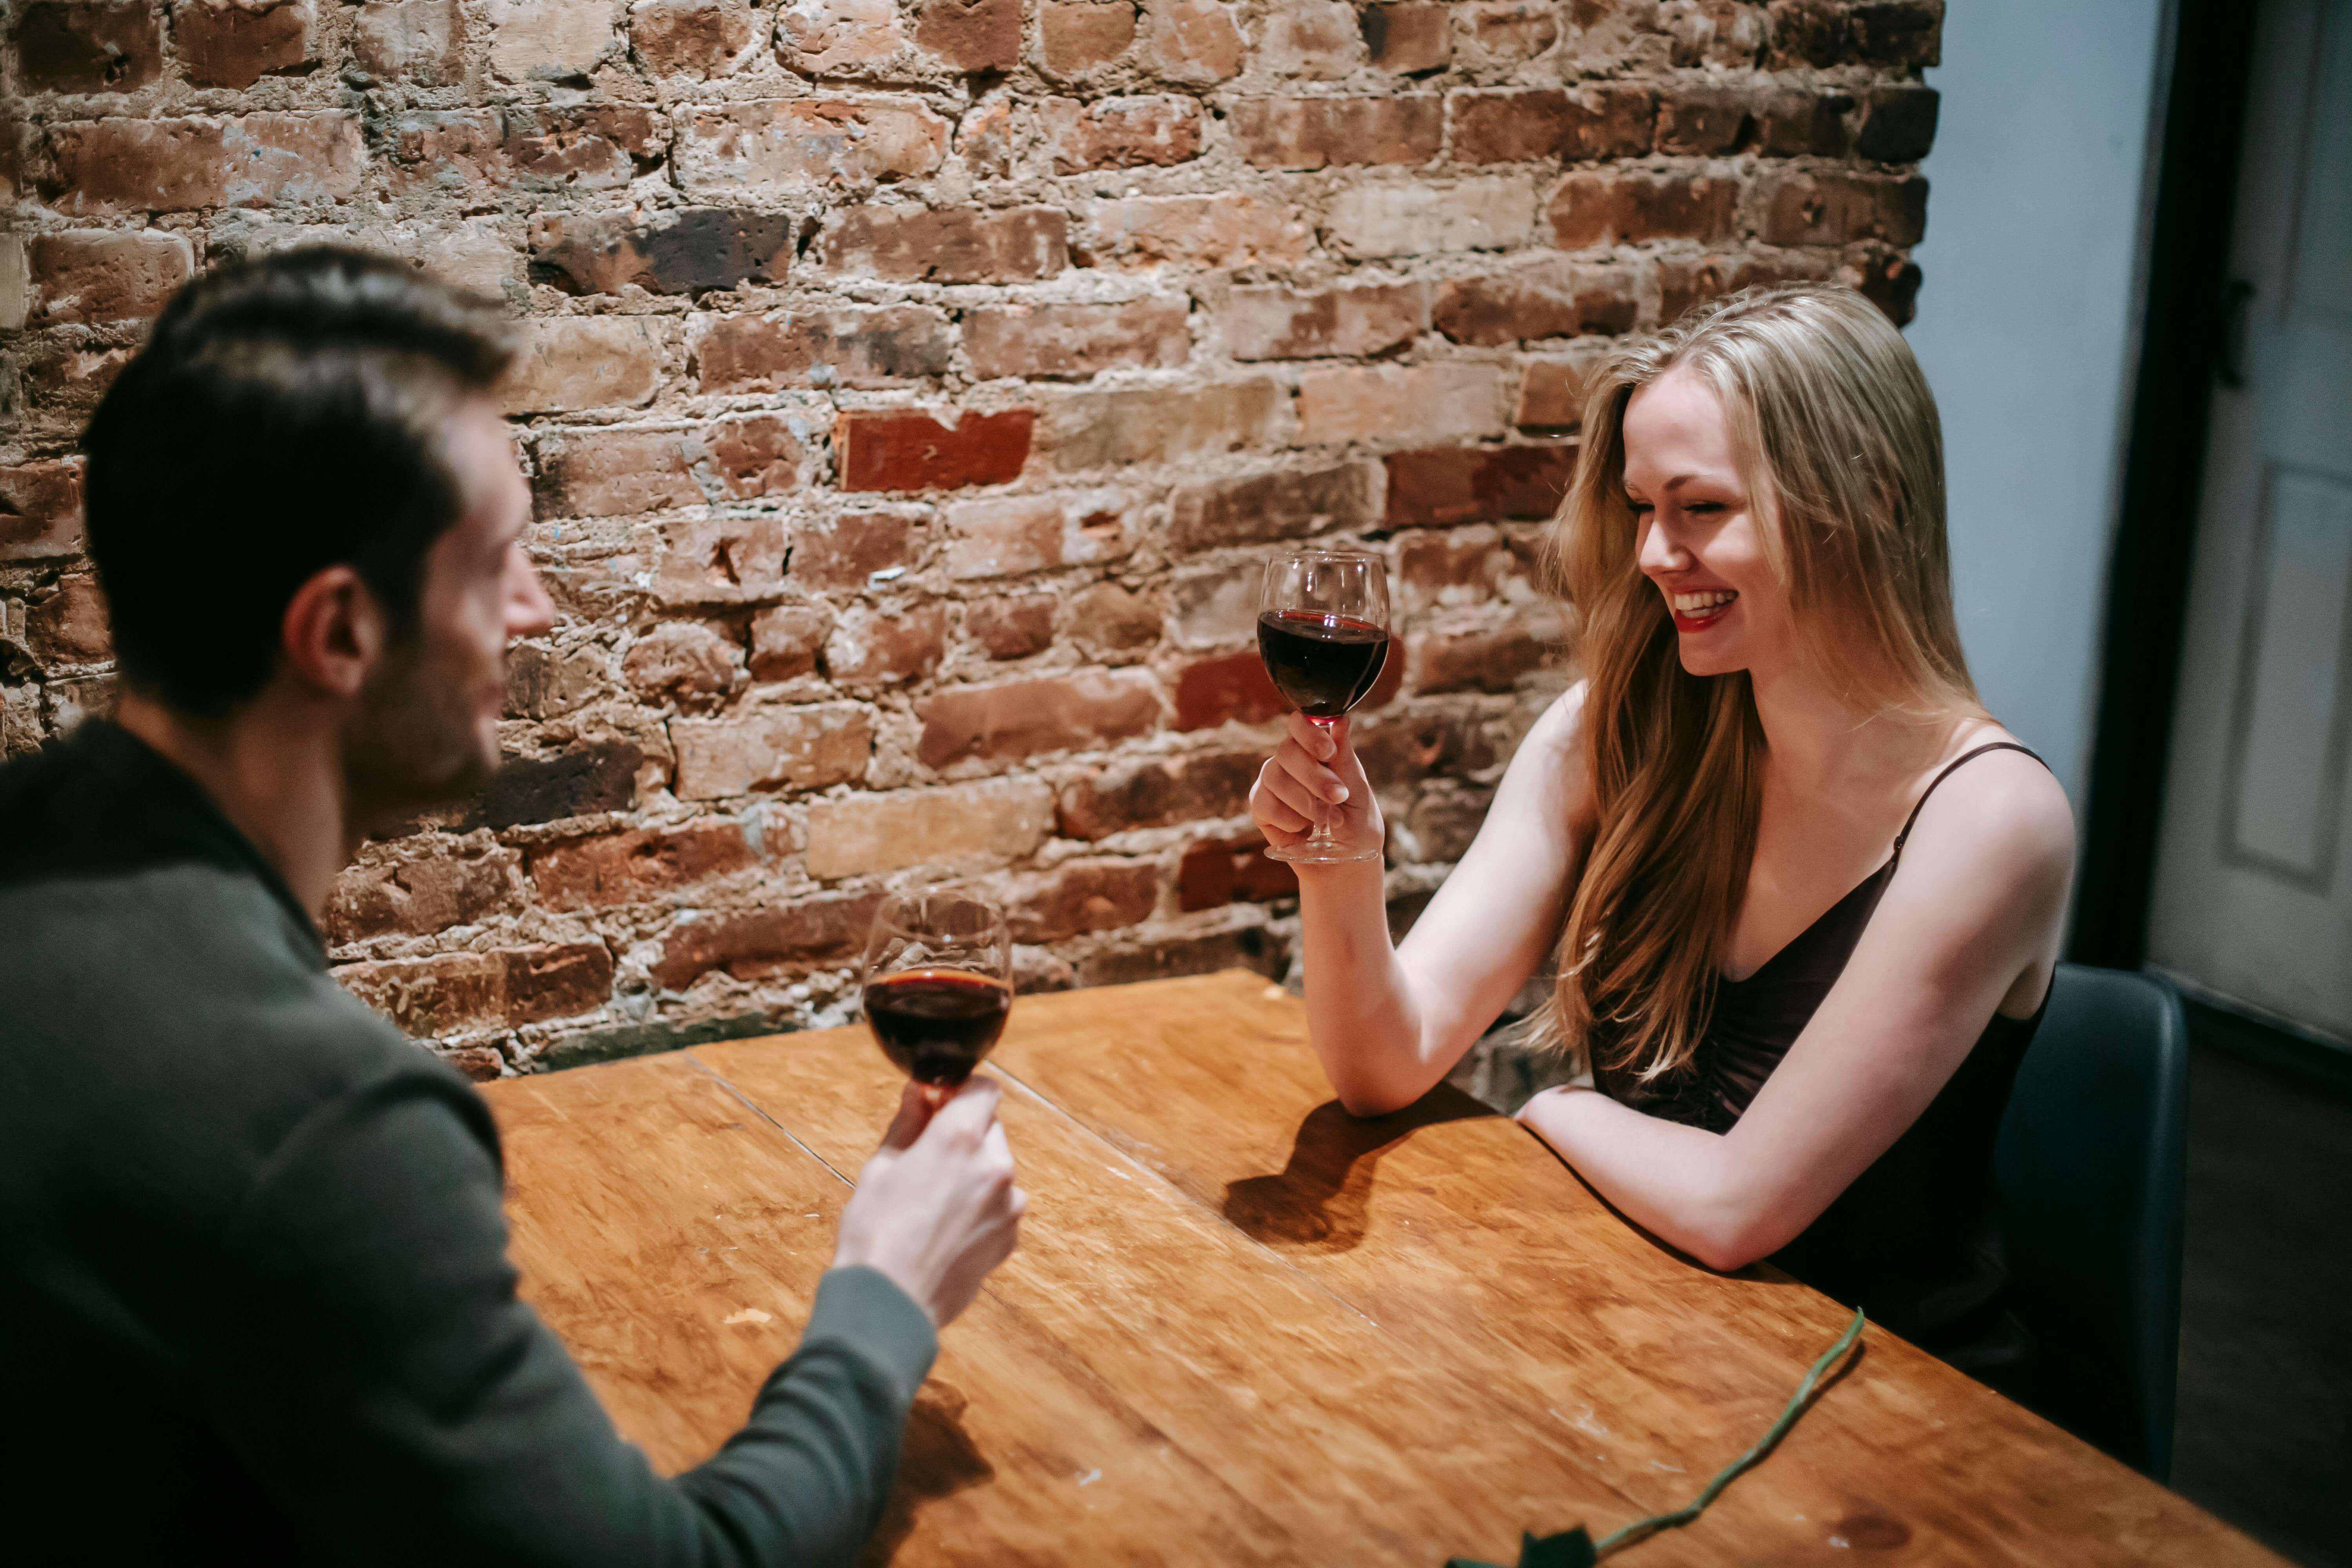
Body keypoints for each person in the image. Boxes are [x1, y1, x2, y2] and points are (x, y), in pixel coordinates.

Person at [0, 248, 1024, 1565]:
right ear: (340, 635)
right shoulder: (323, 1131)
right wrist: (886, 1300)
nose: (536, 613)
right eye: (500, 564)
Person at [1250, 285, 2074, 1389]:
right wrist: (1342, 863)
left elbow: (1737, 1209)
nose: (1651, 553)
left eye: (1700, 509)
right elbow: (1382, 1067)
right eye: (1642, 508)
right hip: (1642, 1345)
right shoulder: (1613, 732)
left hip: (1894, 1415)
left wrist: (1553, 1107)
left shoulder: (1992, 820)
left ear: (1867, 497)